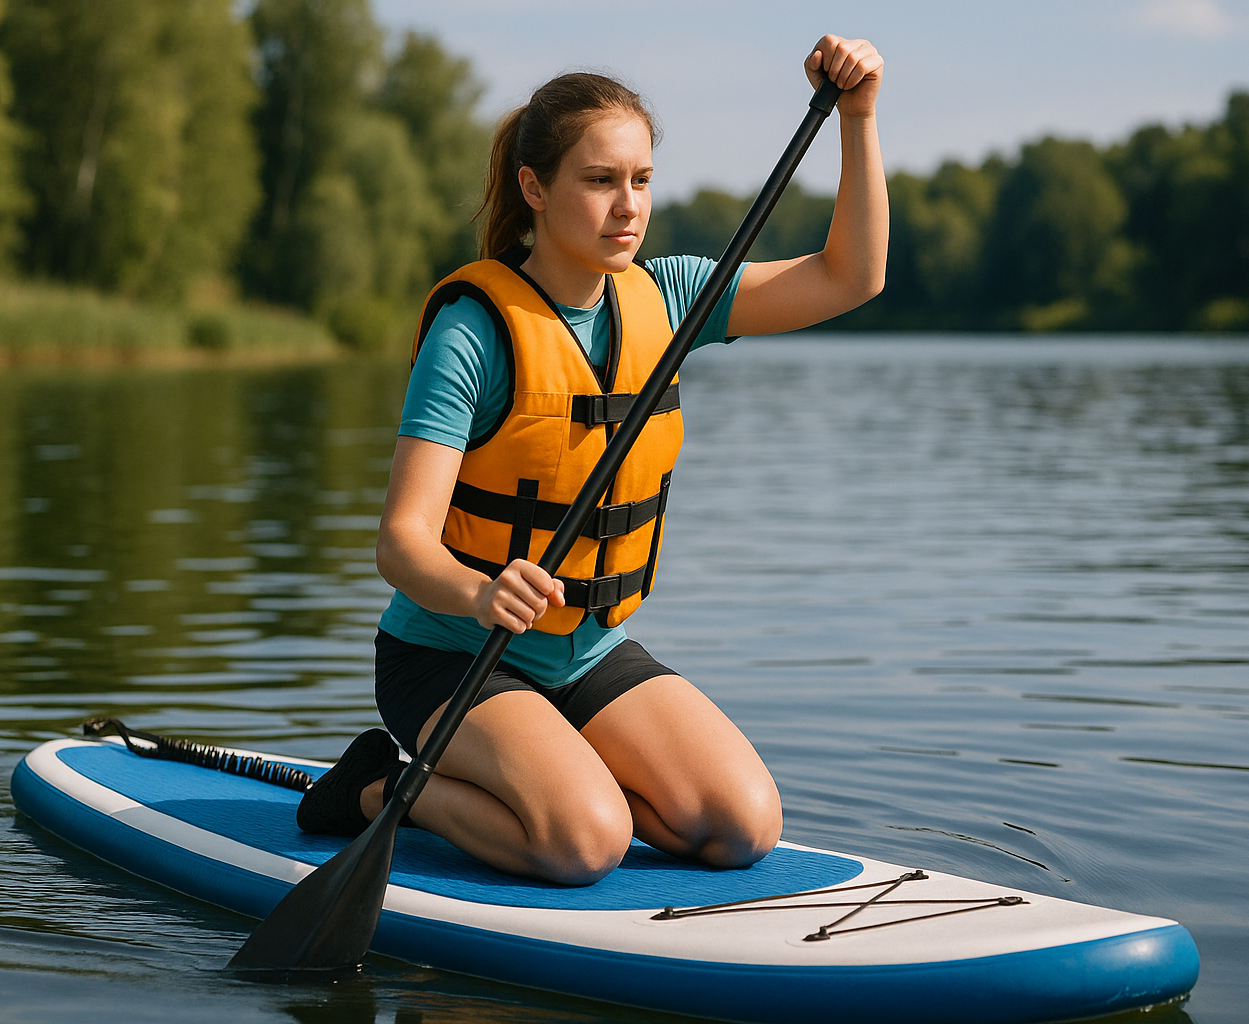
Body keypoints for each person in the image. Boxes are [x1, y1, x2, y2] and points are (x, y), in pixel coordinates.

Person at [298, 34, 887, 885]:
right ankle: (379, 784)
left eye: (642, 180)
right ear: (535, 188)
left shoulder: (675, 297)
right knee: (584, 845)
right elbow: (402, 542)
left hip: (583, 652)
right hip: (454, 657)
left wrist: (858, 117)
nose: (628, 208)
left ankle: (558, 776)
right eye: (601, 180)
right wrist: (480, 590)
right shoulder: (476, 331)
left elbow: (850, 276)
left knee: (740, 826)